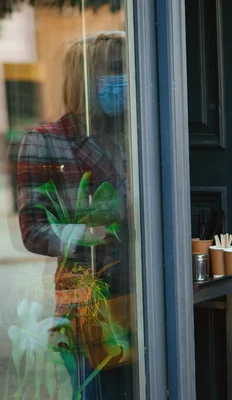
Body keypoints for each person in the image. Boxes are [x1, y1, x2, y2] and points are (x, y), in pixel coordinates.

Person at [17, 31, 133, 399]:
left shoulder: (136, 135)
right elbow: (33, 230)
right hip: (89, 302)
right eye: (115, 69)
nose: (125, 79)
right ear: (86, 78)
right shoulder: (45, 140)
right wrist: (92, 232)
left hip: (142, 288)